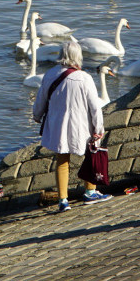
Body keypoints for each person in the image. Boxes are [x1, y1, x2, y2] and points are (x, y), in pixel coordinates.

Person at [33, 41, 112, 212]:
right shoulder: (84, 78)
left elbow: (41, 98)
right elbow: (94, 107)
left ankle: (63, 200)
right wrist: (98, 129)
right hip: (81, 125)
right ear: (78, 56)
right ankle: (90, 192)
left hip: (57, 124)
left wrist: (37, 115)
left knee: (62, 159)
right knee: (90, 155)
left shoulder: (50, 74)